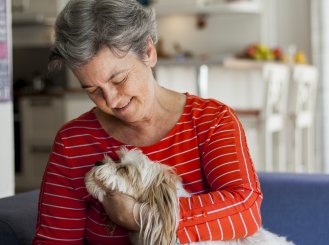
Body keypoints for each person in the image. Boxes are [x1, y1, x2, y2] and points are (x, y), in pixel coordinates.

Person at [33, 0, 262, 244]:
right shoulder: (73, 142)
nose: (110, 100)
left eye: (119, 79)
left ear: (148, 52)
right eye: (92, 90)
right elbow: (55, 241)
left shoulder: (211, 121)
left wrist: (138, 216)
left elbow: (245, 210)